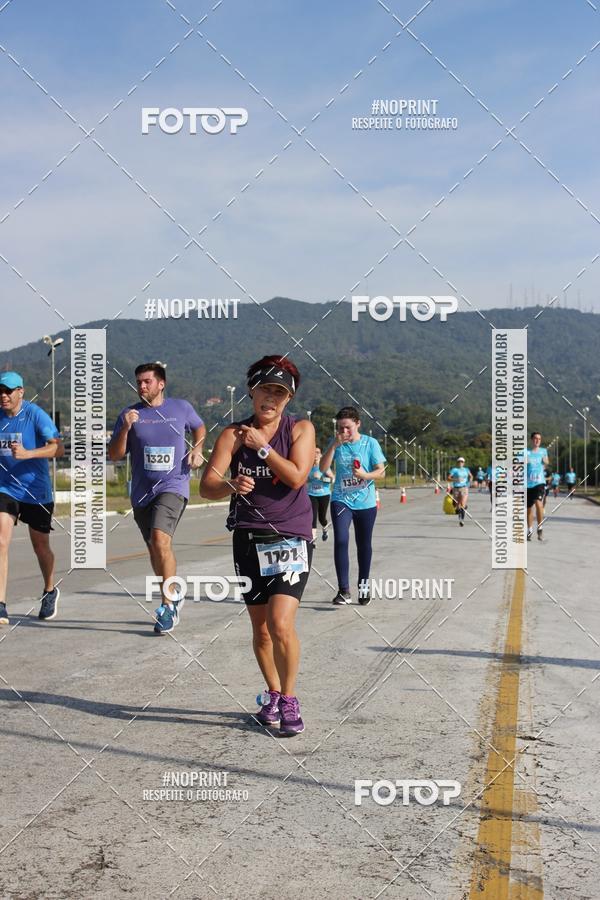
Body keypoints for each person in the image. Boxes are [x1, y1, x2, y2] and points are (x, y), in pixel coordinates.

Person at [200, 355, 315, 736]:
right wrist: (230, 485)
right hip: (249, 536)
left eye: (279, 393)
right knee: (262, 629)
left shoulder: (300, 429)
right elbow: (206, 485)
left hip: (290, 536)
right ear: (252, 391)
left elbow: (297, 477)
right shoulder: (233, 434)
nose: (271, 398)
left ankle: (291, 698)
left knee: (282, 624)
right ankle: (273, 692)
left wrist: (264, 448)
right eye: (265, 389)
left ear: (289, 399)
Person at [108, 362, 205, 634]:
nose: (141, 386)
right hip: (141, 493)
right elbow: (114, 455)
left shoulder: (180, 408)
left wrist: (197, 449)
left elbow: (199, 427)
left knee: (161, 540)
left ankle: (167, 606)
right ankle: (173, 590)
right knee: (154, 548)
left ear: (161, 384)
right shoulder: (129, 414)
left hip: (173, 486)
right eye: (138, 382)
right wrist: (126, 429)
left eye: (147, 381)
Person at [0, 371, 64, 625]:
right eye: (0, 391)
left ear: (21, 392)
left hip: (35, 491)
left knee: (40, 547)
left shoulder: (35, 414)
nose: (3, 396)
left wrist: (28, 454)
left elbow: (57, 447)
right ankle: (1, 604)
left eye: (8, 391)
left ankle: (50, 589)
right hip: (5, 488)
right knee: (1, 541)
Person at [319, 407, 386, 606]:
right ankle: (343, 590)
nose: (344, 432)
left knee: (364, 545)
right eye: (340, 428)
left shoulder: (370, 443)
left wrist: (365, 476)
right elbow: (323, 468)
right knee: (340, 539)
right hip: (341, 499)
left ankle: (363, 588)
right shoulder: (336, 443)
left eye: (347, 428)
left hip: (365, 502)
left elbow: (380, 472)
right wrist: (333, 445)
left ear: (358, 424)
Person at [526, 432, 549, 541]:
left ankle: (540, 528)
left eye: (539, 439)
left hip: (539, 482)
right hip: (527, 484)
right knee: (529, 509)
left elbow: (546, 462)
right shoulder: (526, 452)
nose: (537, 440)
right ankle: (529, 530)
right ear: (532, 440)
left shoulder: (543, 451)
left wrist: (545, 461)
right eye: (535, 438)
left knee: (539, 504)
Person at [307, 447, 333, 543]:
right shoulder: (308, 467)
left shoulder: (324, 467)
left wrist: (322, 479)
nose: (315, 454)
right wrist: (310, 478)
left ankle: (325, 527)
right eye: (313, 452)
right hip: (311, 494)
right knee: (312, 516)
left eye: (318, 452)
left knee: (321, 518)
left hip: (324, 495)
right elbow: (304, 481)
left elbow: (332, 480)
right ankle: (313, 538)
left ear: (321, 455)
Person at [448, 456, 472, 526]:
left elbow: (471, 476)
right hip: (456, 488)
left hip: (464, 487)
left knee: (462, 504)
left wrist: (470, 481)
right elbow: (448, 478)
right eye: (459, 462)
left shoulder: (466, 469)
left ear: (464, 463)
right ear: (457, 463)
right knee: (457, 505)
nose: (460, 463)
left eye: (462, 462)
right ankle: (459, 510)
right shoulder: (454, 470)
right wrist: (455, 480)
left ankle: (461, 520)